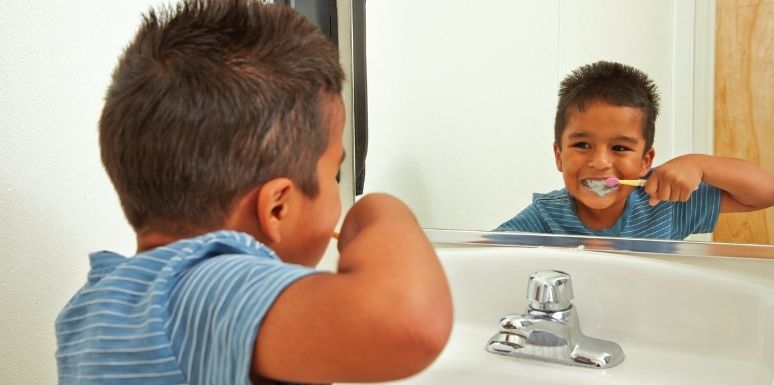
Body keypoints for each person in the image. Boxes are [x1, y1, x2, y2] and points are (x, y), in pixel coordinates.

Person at [55, 1, 453, 384]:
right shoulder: (207, 288)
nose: (338, 194)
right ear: (277, 208)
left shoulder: (94, 306)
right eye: (334, 176)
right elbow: (411, 323)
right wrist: (381, 211)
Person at [495, 60, 774, 239]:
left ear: (645, 161)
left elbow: (765, 192)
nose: (600, 162)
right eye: (582, 145)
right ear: (559, 156)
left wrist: (699, 164)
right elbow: (480, 258)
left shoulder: (664, 205)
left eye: (619, 147)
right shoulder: (547, 216)